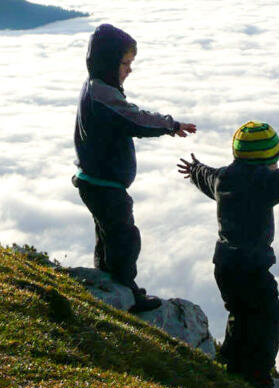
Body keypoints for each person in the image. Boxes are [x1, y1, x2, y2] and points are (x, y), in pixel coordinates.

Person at [177, 121, 279, 388]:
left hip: (224, 265)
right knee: (268, 315)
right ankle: (256, 372)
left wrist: (194, 169)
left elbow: (207, 175)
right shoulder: (264, 183)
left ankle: (231, 359)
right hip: (252, 268)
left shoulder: (224, 177)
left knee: (240, 313)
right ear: (266, 161)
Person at [73, 24, 196, 313]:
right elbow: (135, 119)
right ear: (107, 62)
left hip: (94, 182)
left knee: (109, 238)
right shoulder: (103, 95)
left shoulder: (96, 87)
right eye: (125, 63)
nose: (129, 70)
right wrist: (170, 125)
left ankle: (108, 286)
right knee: (124, 240)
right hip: (105, 186)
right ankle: (127, 294)